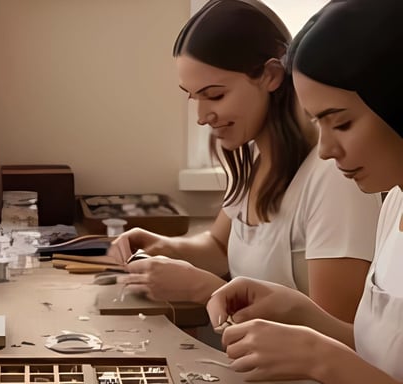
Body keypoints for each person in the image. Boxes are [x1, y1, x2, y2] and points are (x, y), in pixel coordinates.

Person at [107, 0, 380, 323]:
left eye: (215, 95)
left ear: (271, 75)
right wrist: (164, 247)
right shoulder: (253, 155)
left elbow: (337, 334)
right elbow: (219, 247)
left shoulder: (335, 178)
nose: (202, 117)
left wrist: (205, 291)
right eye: (194, 97)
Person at [206, 0, 403, 384]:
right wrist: (297, 310)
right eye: (317, 124)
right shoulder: (395, 203)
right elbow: (384, 360)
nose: (328, 151)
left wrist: (320, 356)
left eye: (343, 123)